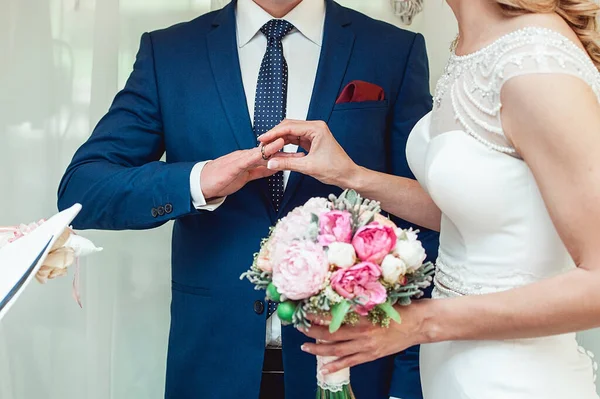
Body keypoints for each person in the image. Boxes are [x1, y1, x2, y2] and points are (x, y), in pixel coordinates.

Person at [56, 0, 439, 398]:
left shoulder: (392, 49)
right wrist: (199, 180)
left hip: (352, 370)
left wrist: (409, 383)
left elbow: (424, 222)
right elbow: (83, 187)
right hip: (210, 368)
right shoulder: (170, 52)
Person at [258, 1, 600, 398]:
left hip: (515, 380)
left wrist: (420, 323)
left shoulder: (536, 63)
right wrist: (351, 175)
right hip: (452, 372)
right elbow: (473, 213)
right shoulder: (472, 42)